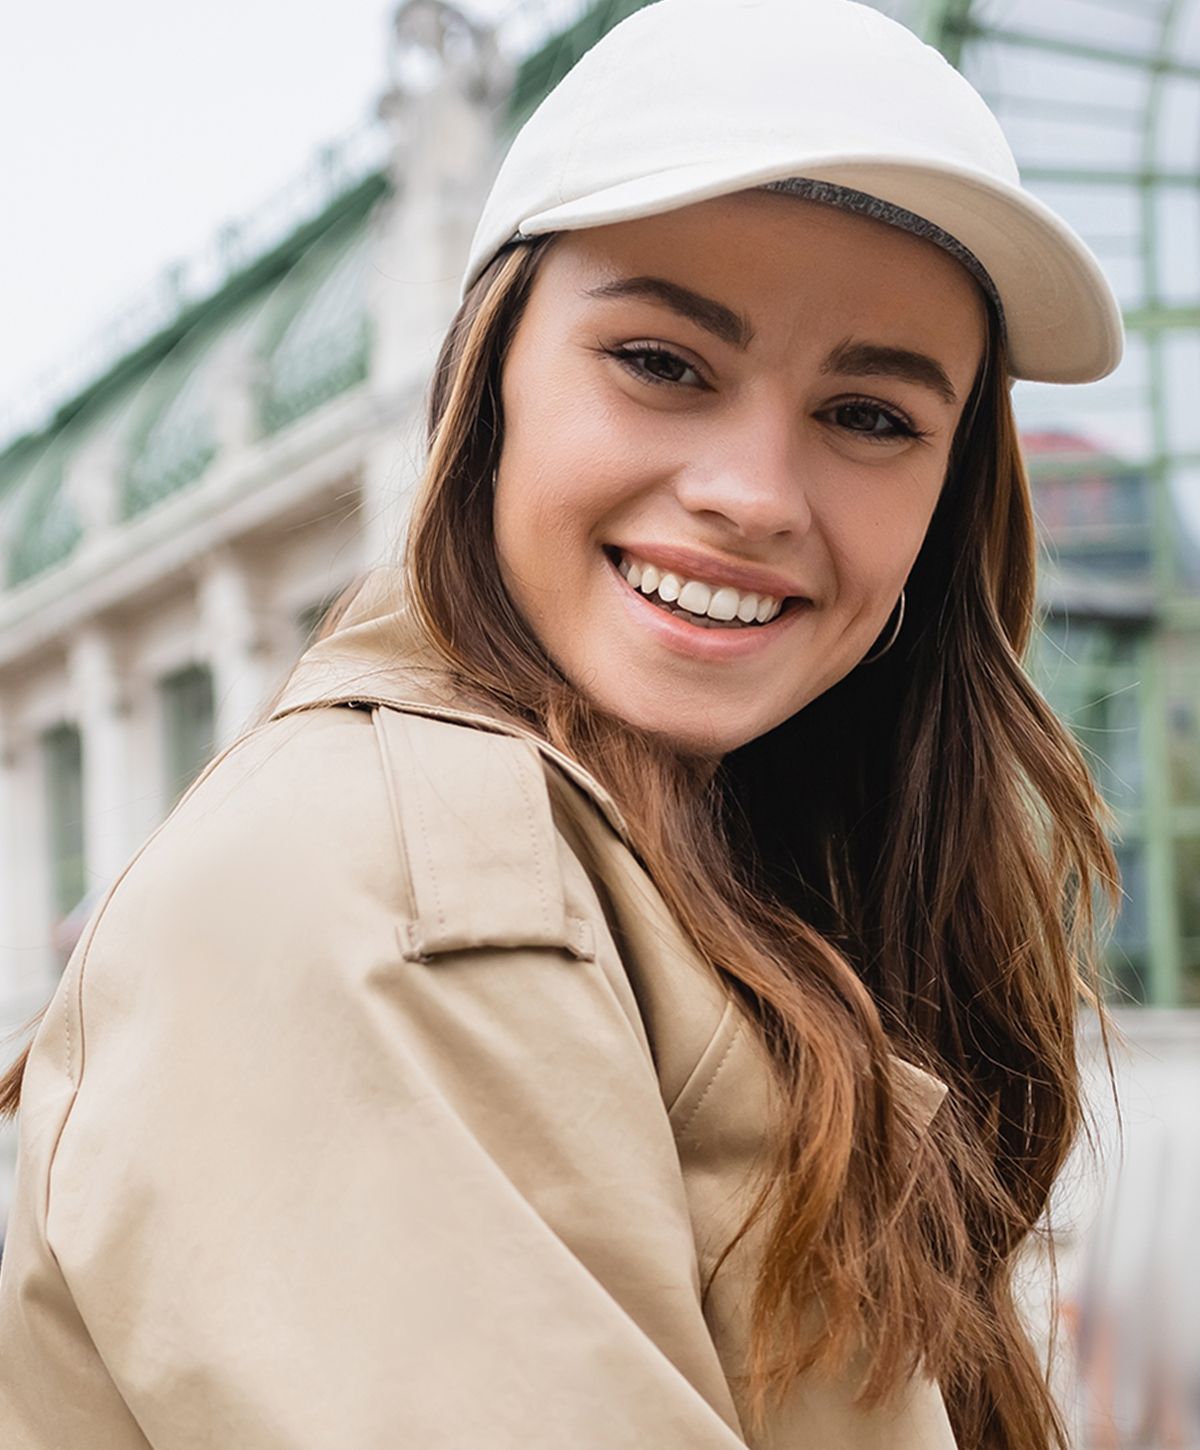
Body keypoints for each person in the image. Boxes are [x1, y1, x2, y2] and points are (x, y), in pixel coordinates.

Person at [0, 2, 1124, 1447]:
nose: (757, 491)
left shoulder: (699, 865)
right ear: (489, 378)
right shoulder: (399, 883)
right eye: (663, 361)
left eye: (872, 416)